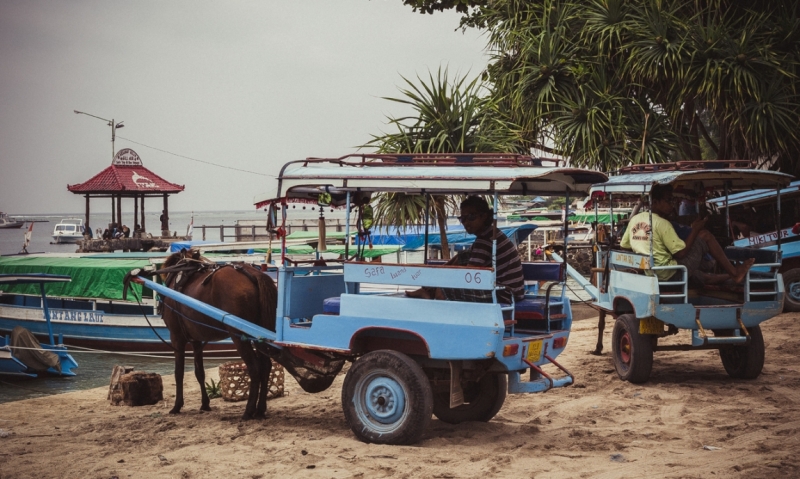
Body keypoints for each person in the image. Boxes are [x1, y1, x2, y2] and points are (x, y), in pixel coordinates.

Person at [620, 184, 753, 285]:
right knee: (705, 235)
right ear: (655, 202)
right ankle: (735, 273)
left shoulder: (635, 219)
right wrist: (695, 230)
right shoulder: (663, 224)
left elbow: (624, 247)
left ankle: (730, 277)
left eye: (672, 200)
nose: (671, 205)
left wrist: (646, 251)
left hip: (652, 271)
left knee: (699, 274)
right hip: (669, 275)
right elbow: (681, 254)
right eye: (668, 201)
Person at [406, 196, 525, 304]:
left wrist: (442, 283)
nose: (466, 223)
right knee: (463, 256)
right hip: (508, 290)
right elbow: (466, 264)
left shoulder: (485, 240)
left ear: (484, 216)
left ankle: (446, 320)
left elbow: (468, 275)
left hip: (505, 293)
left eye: (471, 217)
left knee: (442, 292)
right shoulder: (490, 233)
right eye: (463, 219)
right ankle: (427, 288)